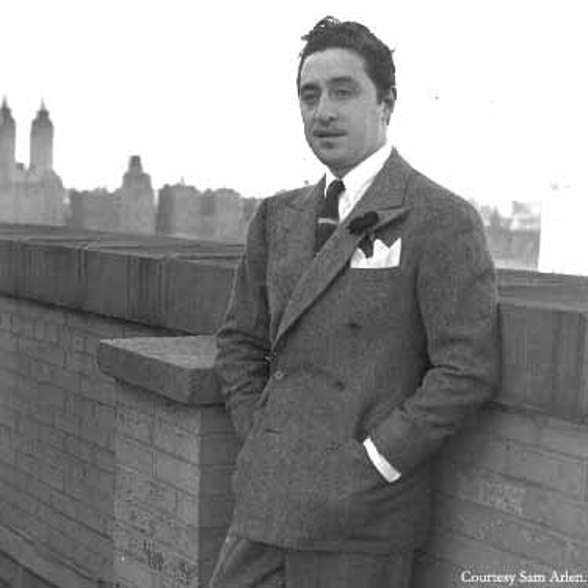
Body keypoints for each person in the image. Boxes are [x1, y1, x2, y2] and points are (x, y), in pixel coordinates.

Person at [210, 16, 500, 588]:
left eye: (344, 92)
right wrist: (259, 438)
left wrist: (373, 463)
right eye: (309, 95)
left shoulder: (439, 218)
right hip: (267, 502)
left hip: (361, 519)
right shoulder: (277, 216)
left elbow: (467, 369)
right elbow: (240, 342)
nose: (323, 112)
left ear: (386, 104)